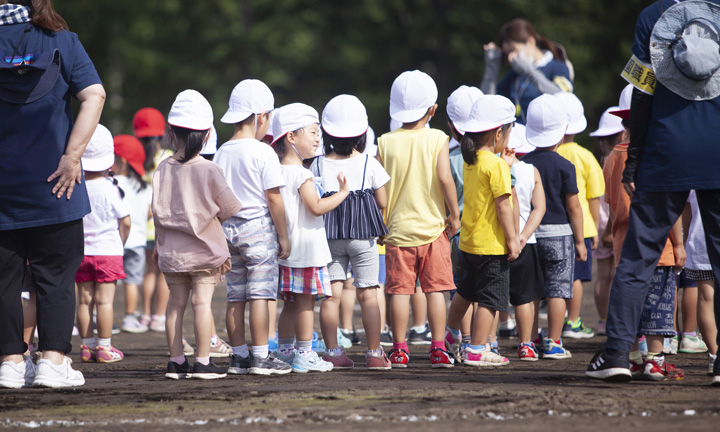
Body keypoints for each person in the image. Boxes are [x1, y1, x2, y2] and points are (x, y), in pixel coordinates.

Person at [586, 0, 720, 386]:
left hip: (666, 149)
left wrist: (633, 160)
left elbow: (641, 93)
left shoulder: (653, 16)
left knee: (637, 259)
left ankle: (616, 354)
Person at [0, 0, 105, 389]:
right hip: (55, 185)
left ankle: (10, 362)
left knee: (4, 282)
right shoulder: (63, 41)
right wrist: (72, 157)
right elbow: (95, 95)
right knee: (55, 278)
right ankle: (53, 361)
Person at [152, 90, 242, 380]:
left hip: (172, 252)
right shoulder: (209, 169)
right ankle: (203, 362)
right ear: (206, 136)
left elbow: (157, 211)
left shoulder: (162, 168)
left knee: (175, 304)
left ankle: (176, 362)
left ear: (171, 133)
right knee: (202, 303)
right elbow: (229, 208)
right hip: (204, 251)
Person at [377, 70, 460, 368]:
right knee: (435, 290)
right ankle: (438, 349)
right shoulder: (438, 138)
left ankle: (399, 349)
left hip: (396, 231)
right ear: (433, 109)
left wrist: (381, 222)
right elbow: (444, 178)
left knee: (400, 291)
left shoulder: (384, 142)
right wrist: (454, 213)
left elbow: (380, 189)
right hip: (434, 229)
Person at [599, 102, 685, 381]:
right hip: (659, 244)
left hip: (625, 242)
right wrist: (680, 244)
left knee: (629, 299)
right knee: (659, 301)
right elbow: (668, 208)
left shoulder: (612, 156)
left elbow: (611, 201)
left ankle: (633, 357)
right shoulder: (655, 154)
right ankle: (655, 360)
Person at [212, 79, 291, 376]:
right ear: (260, 116)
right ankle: (260, 356)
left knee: (235, 296)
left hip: (228, 231)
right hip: (258, 230)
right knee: (260, 295)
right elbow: (274, 198)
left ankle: (239, 357)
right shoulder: (264, 152)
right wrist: (284, 236)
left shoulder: (221, 151)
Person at [311, 95, 392, 370]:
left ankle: (334, 352)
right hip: (363, 238)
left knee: (331, 296)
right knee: (368, 294)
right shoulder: (370, 162)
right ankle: (374, 353)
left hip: (329, 239)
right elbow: (382, 201)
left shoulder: (319, 164)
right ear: (362, 135)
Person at [444, 95, 520, 367]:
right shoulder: (496, 165)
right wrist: (513, 240)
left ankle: (450, 335)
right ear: (499, 133)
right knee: (490, 299)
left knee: (465, 292)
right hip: (491, 246)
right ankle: (476, 349)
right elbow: (503, 206)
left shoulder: (470, 161)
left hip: (468, 243)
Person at [272, 103, 347, 373]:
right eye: (313, 132)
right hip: (306, 252)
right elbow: (316, 207)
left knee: (290, 305)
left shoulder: (276, 171)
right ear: (291, 137)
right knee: (305, 304)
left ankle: (285, 351)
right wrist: (342, 193)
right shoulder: (303, 174)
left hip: (287, 251)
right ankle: (304, 353)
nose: (318, 138)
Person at [521, 94, 587, 360]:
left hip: (531, 235)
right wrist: (581, 241)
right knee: (558, 290)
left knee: (534, 290)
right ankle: (554, 342)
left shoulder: (524, 164)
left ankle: (532, 339)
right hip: (561, 235)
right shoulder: (565, 166)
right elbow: (574, 207)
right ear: (562, 134)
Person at [75, 125, 131, 365]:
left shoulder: (76, 187)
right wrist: (121, 242)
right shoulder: (113, 188)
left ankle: (86, 348)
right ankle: (105, 348)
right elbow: (126, 221)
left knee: (84, 302)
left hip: (81, 252)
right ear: (110, 161)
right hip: (108, 251)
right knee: (105, 302)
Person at [555, 92, 605, 339]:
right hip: (581, 227)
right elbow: (594, 197)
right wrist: (594, 228)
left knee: (555, 277)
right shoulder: (586, 157)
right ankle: (573, 322)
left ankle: (557, 321)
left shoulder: (549, 155)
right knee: (575, 276)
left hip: (553, 225)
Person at [481, 18, 573, 124]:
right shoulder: (515, 73)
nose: (511, 58)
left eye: (514, 51)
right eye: (508, 54)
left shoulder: (558, 67)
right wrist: (492, 67)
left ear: (530, 42)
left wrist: (530, 71)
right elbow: (487, 103)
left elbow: (562, 96)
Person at [132, 107, 172, 335]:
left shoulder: (135, 160)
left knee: (150, 271)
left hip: (142, 227)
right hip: (162, 224)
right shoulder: (167, 157)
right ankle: (159, 317)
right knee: (164, 273)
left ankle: (145, 314)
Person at [589, 106, 626, 335]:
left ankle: (602, 320)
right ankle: (620, 321)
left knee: (603, 275)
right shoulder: (622, 157)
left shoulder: (597, 159)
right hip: (619, 221)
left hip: (598, 222)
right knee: (624, 273)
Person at [113, 135, 153, 334]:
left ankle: (103, 318)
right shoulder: (143, 185)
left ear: (119, 160)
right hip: (137, 241)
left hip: (115, 241)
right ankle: (129, 318)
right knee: (132, 282)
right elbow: (150, 212)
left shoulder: (112, 182)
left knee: (109, 283)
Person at [683, 190, 718, 374]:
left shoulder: (696, 168)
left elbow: (686, 212)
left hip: (700, 241)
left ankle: (715, 356)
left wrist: (684, 241)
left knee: (706, 298)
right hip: (705, 242)